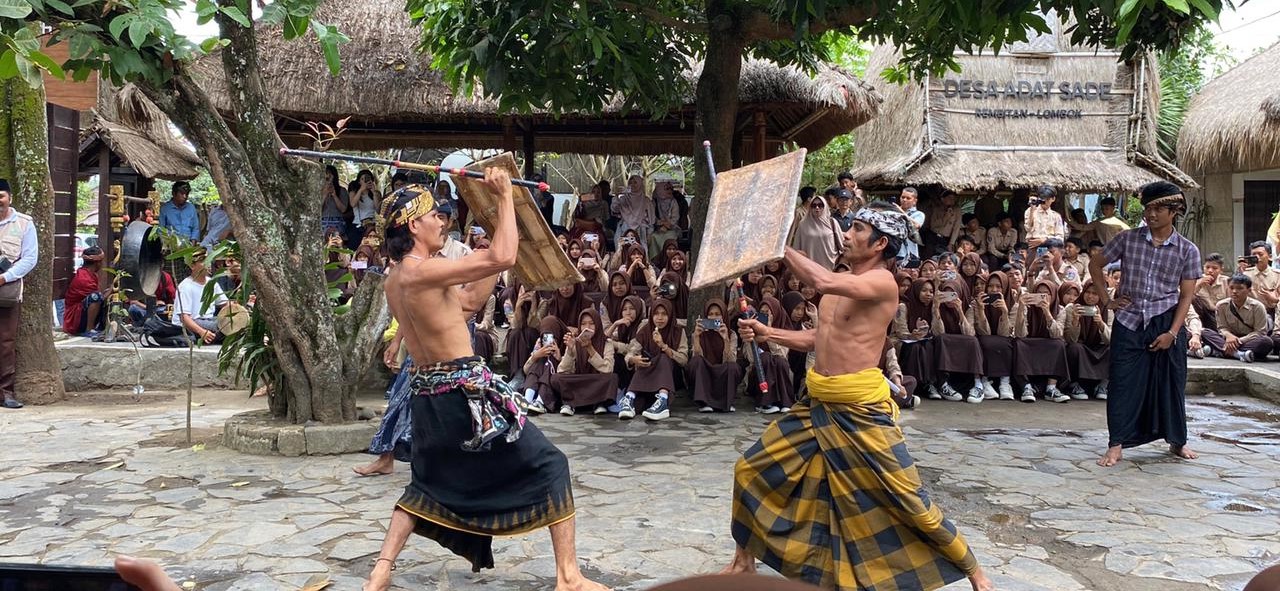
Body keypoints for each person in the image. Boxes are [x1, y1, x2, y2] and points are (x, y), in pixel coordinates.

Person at [725, 202, 993, 591]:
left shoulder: (881, 282)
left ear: (881, 243)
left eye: (857, 230)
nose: (846, 234)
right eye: (849, 227)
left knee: (908, 496)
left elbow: (821, 282)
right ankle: (743, 560)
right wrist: (771, 335)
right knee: (749, 470)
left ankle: (974, 571)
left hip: (862, 409)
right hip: (819, 402)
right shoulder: (840, 281)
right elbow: (822, 338)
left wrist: (774, 245)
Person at [365, 172, 606, 591]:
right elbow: (505, 257)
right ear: (410, 225)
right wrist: (505, 201)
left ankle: (380, 571)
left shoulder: (396, 281)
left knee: (427, 484)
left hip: (428, 397)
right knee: (552, 465)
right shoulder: (423, 270)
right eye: (433, 217)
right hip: (464, 396)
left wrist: (488, 257)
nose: (442, 221)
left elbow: (467, 303)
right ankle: (568, 577)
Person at [1088, 180, 1201, 468]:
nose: (1151, 214)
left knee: (1171, 382)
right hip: (1129, 319)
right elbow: (1095, 265)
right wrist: (1107, 299)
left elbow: (1186, 296)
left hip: (1166, 319)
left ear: (1174, 211)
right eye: (1148, 208)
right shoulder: (1127, 239)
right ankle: (1116, 445)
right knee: (1122, 383)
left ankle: (1177, 441)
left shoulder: (1188, 250)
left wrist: (1173, 333)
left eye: (1158, 209)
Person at [0, 179, 36, 409]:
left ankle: (5, 392)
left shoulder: (24, 224)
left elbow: (30, 258)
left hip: (7, 289)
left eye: (1, 196)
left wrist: (5, 276)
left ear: (9, 197)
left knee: (5, 342)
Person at [620, 298, 687, 421]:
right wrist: (633, 360)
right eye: (656, 314)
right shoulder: (645, 330)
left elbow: (683, 359)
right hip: (648, 375)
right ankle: (629, 398)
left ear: (670, 315)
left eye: (664, 314)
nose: (659, 318)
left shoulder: (678, 331)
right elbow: (630, 353)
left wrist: (663, 346)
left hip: (670, 376)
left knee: (663, 357)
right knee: (644, 360)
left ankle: (662, 400)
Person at [552, 308, 617, 416]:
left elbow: (608, 369)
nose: (587, 328)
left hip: (596, 381)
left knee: (612, 378)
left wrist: (590, 348)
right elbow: (562, 370)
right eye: (583, 324)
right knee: (556, 378)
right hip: (579, 381)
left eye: (592, 324)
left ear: (598, 325)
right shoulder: (575, 342)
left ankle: (598, 403)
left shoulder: (606, 343)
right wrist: (570, 351)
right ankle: (570, 403)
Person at [1200, 274, 1272, 363]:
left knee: (1266, 342)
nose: (1234, 291)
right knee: (1204, 332)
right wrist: (1229, 336)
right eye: (1231, 288)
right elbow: (1222, 328)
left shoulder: (1257, 307)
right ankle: (1238, 354)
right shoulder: (1221, 305)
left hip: (1248, 340)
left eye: (1240, 288)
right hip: (1227, 339)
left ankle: (1219, 351)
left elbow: (1260, 332)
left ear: (1249, 290)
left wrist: (1238, 341)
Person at [688, 299, 741, 412]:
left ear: (723, 316)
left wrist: (725, 339)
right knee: (696, 361)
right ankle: (704, 403)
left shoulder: (731, 334)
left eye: (717, 314)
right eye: (710, 314)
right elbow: (696, 358)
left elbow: (731, 361)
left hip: (721, 372)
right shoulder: (699, 334)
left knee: (733, 367)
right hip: (705, 372)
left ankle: (726, 403)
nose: (713, 318)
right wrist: (697, 337)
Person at [171, 249, 228, 345]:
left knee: (229, 322)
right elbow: (184, 318)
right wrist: (201, 331)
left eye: (209, 260)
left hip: (208, 320)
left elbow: (225, 304)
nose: (208, 264)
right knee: (221, 327)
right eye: (203, 261)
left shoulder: (211, 283)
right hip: (190, 324)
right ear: (192, 266)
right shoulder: (185, 286)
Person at [62, 246, 109, 337]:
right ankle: (89, 329)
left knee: (101, 295)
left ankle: (100, 327)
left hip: (78, 313)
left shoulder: (89, 274)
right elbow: (100, 298)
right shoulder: (83, 278)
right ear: (97, 263)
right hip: (73, 319)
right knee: (96, 296)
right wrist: (112, 289)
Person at [790, 195, 843, 270]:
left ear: (825, 207)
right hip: (810, 270)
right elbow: (797, 247)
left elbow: (842, 246)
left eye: (820, 205)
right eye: (814, 205)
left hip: (831, 267)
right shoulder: (803, 224)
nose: (817, 208)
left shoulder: (832, 223)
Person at [612, 174, 654, 251]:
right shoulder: (624, 199)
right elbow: (615, 209)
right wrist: (616, 196)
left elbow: (651, 219)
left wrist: (649, 233)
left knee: (641, 249)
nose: (632, 185)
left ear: (640, 184)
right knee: (621, 246)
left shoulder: (646, 201)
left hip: (641, 229)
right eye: (630, 183)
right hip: (624, 228)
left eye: (635, 182)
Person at [1242, 241, 1280, 316]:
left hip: (1272, 313)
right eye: (1254, 255)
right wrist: (1239, 272)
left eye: (1260, 254)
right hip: (1250, 313)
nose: (1257, 257)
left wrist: (1275, 299)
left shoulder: (1278, 275)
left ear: (1270, 257)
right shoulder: (1245, 274)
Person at [1194, 253, 1228, 331]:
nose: (1210, 271)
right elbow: (1186, 298)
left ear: (1221, 270)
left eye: (1214, 268)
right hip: (1202, 315)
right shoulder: (1196, 280)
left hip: (1220, 315)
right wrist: (1199, 284)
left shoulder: (1226, 281)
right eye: (1207, 267)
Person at [1024, 185, 1064, 250]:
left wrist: (1045, 240)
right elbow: (1028, 228)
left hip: (1050, 248)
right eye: (1043, 198)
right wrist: (1032, 209)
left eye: (1047, 199)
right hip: (1033, 247)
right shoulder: (1029, 211)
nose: (1044, 201)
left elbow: (1060, 238)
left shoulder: (1056, 216)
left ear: (1053, 199)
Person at [320, 165, 349, 236]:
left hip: (337, 221)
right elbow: (317, 209)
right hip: (323, 220)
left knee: (335, 239)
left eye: (330, 173)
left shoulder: (342, 190)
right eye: (326, 173)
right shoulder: (319, 190)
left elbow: (343, 209)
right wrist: (325, 194)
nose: (328, 176)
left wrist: (334, 195)